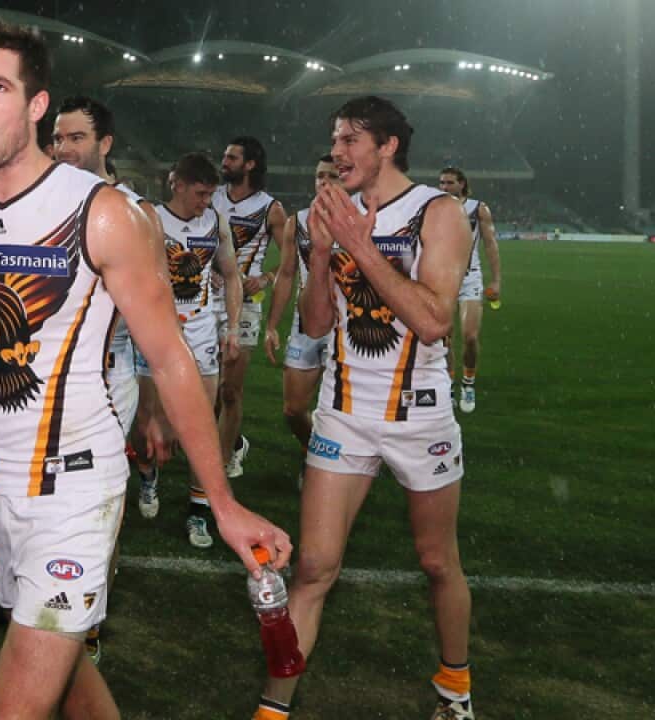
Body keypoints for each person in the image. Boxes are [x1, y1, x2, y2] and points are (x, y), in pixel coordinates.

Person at [0, 18, 290, 720]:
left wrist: (221, 499)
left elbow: (171, 360)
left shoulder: (102, 214)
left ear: (37, 106)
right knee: (67, 677)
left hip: (76, 491)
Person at [252, 96, 475, 720]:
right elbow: (316, 324)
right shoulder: (332, 213)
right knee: (313, 569)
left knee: (437, 562)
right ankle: (272, 711)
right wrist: (325, 253)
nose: (337, 152)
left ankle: (455, 690)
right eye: (334, 139)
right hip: (344, 413)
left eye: (351, 139)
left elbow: (434, 322)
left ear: (387, 146)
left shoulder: (438, 212)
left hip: (420, 417)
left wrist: (359, 243)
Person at [51, 93, 167, 663]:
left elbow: (158, 325)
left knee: (94, 508)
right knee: (46, 505)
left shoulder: (136, 214)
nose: (63, 149)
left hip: (108, 380)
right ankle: (45, 601)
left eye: (76, 138)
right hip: (44, 382)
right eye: (57, 138)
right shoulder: (40, 205)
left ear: (105, 143)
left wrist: (152, 411)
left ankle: (89, 621)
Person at [139, 152, 243, 550]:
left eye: (210, 194)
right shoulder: (149, 218)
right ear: (177, 184)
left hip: (200, 331)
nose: (206, 201)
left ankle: (199, 509)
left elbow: (231, 275)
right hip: (156, 331)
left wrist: (231, 326)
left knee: (203, 424)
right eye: (200, 193)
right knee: (150, 421)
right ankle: (148, 475)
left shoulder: (214, 222)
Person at [212, 137, 287, 479]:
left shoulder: (270, 208)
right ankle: (235, 441)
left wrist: (267, 277)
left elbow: (291, 260)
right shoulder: (211, 197)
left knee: (230, 389)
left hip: (245, 305)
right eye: (225, 156)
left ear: (250, 164)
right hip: (206, 302)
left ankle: (223, 460)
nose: (224, 162)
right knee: (209, 388)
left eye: (232, 157)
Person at [264, 155, 340, 461]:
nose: (324, 182)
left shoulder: (363, 221)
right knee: (293, 409)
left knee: (340, 411)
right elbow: (286, 274)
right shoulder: (298, 222)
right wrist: (271, 325)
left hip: (348, 328)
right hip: (305, 326)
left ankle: (330, 469)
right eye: (320, 175)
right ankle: (317, 453)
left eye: (333, 176)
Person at [437, 167, 501, 413]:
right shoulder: (434, 207)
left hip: (470, 278)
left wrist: (496, 281)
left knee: (470, 336)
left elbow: (491, 245)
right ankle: (449, 387)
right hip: (442, 279)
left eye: (449, 182)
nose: (444, 187)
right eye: (441, 183)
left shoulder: (477, 209)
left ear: (462, 184)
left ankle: (468, 382)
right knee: (444, 339)